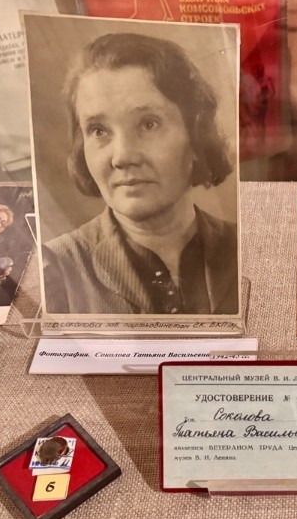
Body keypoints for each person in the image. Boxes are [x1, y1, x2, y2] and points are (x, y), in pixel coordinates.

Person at [42, 32, 237, 316]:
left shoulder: (245, 246)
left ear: (196, 135)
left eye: (148, 124)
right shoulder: (54, 268)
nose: (122, 157)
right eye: (99, 131)